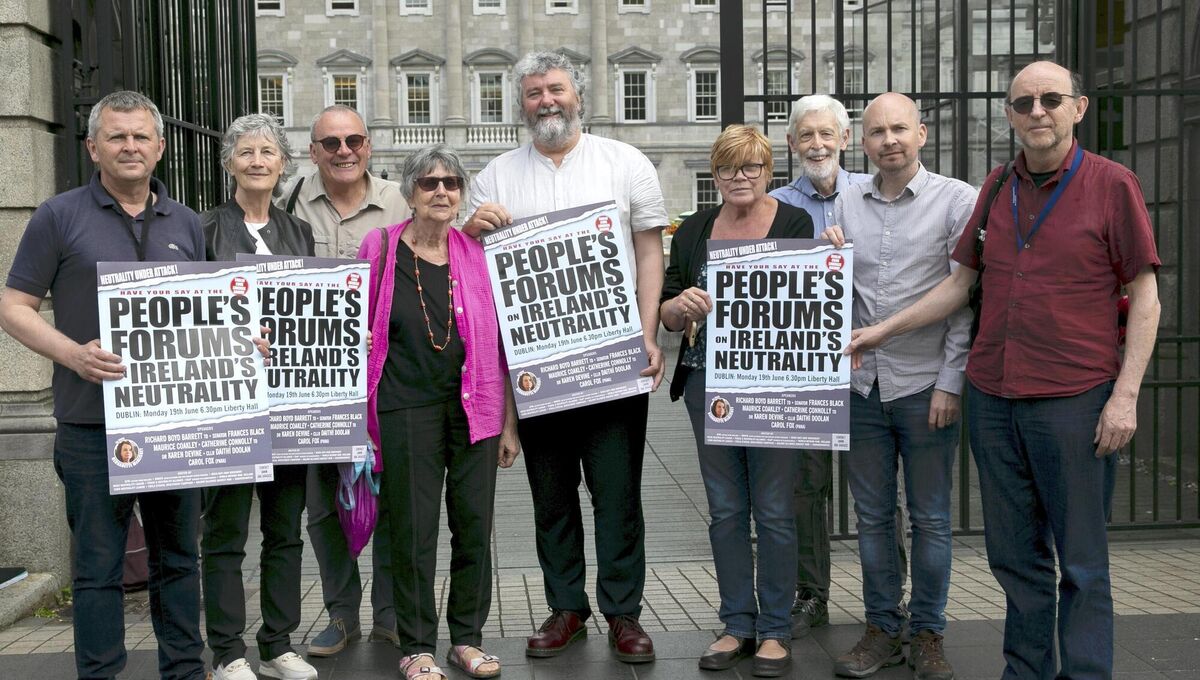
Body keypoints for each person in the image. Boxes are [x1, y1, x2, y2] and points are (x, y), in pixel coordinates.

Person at [844, 61, 1161, 680]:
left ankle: (1087, 672)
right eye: (1023, 103)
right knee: (1014, 558)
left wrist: (1125, 397)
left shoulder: (1111, 184)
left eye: (1049, 99)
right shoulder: (996, 187)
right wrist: (881, 332)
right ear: (1010, 114)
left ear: (1078, 107)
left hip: (1074, 397)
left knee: (1082, 562)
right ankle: (1026, 670)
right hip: (993, 396)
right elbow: (960, 284)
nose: (1036, 112)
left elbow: (1145, 296)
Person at [463, 50, 667, 664]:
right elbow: (474, 267)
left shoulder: (625, 162)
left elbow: (650, 254)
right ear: (520, 103)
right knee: (550, 495)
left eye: (555, 89)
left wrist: (649, 333)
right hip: (538, 370)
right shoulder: (495, 175)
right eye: (533, 93)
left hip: (611, 361)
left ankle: (624, 613)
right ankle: (566, 607)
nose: (545, 101)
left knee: (616, 493)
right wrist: (473, 228)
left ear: (577, 94)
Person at [0, 90, 210, 680]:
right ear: (93, 147)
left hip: (173, 422)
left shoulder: (188, 223)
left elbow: (208, 317)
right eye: (117, 136)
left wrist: (244, 343)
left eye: (141, 136)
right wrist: (72, 354)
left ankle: (185, 671)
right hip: (91, 424)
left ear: (161, 147)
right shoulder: (58, 215)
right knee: (96, 566)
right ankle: (100, 674)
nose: (130, 147)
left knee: (178, 560)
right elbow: (13, 306)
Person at [828, 93, 976, 680]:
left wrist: (951, 382)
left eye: (899, 129)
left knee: (932, 518)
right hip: (860, 388)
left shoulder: (956, 200)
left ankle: (930, 632)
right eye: (876, 131)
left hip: (924, 386)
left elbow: (964, 297)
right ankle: (882, 629)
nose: (888, 139)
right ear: (861, 142)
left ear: (921, 133)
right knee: (871, 516)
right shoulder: (843, 199)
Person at [358, 144, 520, 680]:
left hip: (476, 409)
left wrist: (508, 424)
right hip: (404, 408)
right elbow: (349, 333)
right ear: (410, 192)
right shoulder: (379, 248)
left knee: (475, 526)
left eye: (451, 182)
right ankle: (417, 645)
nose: (442, 192)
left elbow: (503, 345)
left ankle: (467, 639)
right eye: (429, 183)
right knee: (412, 530)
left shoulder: (477, 252)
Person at [660, 124, 814, 677]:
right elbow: (666, 309)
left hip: (774, 382)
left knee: (773, 509)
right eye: (727, 168)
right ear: (715, 173)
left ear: (768, 171)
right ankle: (736, 623)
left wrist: (832, 259)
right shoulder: (694, 230)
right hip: (709, 384)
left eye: (750, 167)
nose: (739, 177)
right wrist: (680, 306)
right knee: (726, 509)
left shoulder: (795, 221)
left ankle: (774, 627)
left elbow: (812, 298)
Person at [276, 104, 408, 655]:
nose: (343, 150)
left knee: (397, 496)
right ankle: (341, 613)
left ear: (369, 146)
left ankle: (392, 614)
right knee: (325, 504)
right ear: (313, 151)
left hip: (392, 376)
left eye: (353, 139)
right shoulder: (288, 201)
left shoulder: (401, 199)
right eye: (330, 143)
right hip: (316, 381)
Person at [199, 113, 318, 680]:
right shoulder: (203, 230)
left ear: (282, 164)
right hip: (228, 403)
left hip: (288, 406)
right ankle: (226, 651)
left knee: (284, 530)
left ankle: (278, 644)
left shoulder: (297, 232)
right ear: (229, 164)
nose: (257, 160)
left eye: (268, 150)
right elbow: (192, 315)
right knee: (224, 531)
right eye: (245, 151)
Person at [768, 94, 873, 639]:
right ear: (791, 144)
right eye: (806, 136)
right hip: (804, 371)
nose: (816, 145)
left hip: (870, 365)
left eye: (826, 134)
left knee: (877, 488)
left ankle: (886, 601)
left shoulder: (873, 196)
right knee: (806, 488)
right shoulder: (774, 206)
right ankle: (811, 595)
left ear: (845, 138)